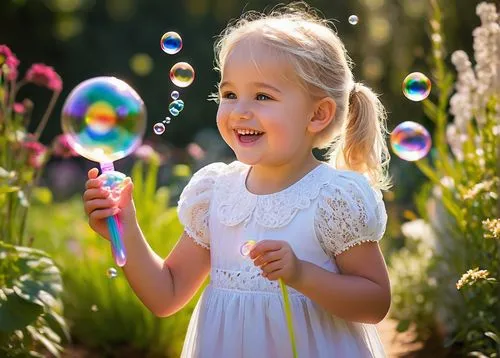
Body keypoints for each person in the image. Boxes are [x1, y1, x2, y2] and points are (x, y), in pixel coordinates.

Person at [83, 2, 392, 357]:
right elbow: (165, 295)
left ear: (318, 114)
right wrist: (125, 225)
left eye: (262, 96)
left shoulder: (332, 198)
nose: (240, 110)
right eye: (230, 94)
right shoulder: (217, 193)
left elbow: (375, 302)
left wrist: (302, 274)